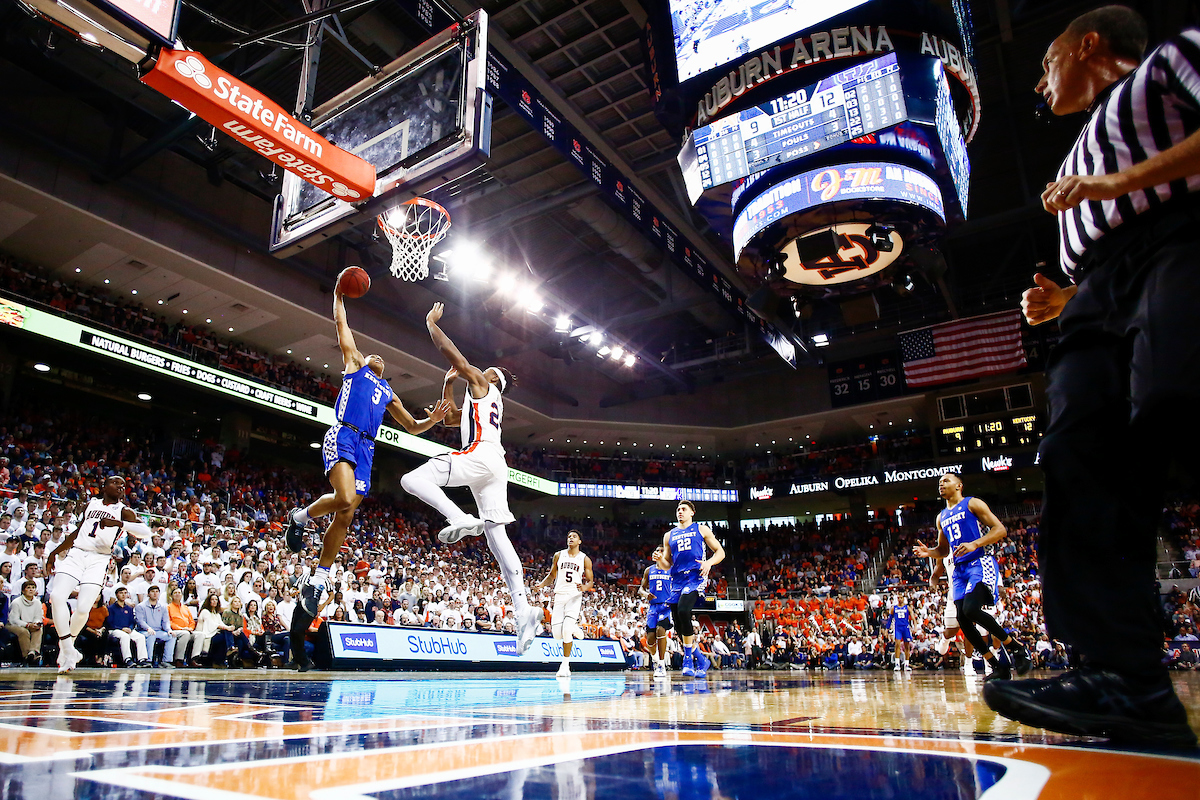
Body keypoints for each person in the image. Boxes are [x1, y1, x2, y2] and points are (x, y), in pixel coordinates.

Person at [991, 5, 1200, 748]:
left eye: (1047, 63)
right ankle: (1123, 677)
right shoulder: (1075, 154)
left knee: (1178, 397)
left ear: (1086, 46)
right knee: (1079, 460)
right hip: (1100, 293)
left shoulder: (1172, 62)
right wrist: (1068, 300)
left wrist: (1125, 182)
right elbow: (1109, 246)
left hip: (1183, 239)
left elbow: (1144, 207)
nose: (1040, 82)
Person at [283, 269, 451, 652]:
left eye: (381, 357)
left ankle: (322, 573)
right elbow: (340, 323)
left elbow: (411, 426)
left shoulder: (389, 390)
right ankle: (300, 517)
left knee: (346, 514)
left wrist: (434, 420)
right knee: (342, 499)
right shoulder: (355, 364)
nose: (377, 355)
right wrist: (340, 294)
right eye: (373, 353)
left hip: (367, 449)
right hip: (343, 434)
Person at [399, 302, 541, 654]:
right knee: (496, 537)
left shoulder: (482, 382)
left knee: (412, 479)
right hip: (494, 463)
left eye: (486, 370)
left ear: (493, 378)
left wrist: (431, 323)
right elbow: (450, 420)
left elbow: (456, 358)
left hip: (480, 455)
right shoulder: (486, 401)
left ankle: (458, 516)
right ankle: (524, 609)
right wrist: (447, 387)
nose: (480, 371)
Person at [914, 473, 1031, 682]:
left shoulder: (972, 503)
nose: (941, 483)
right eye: (939, 482)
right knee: (962, 619)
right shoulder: (941, 516)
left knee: (970, 610)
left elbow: (1000, 530)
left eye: (946, 480)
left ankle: (1016, 647)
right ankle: (997, 666)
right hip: (959, 570)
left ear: (959, 485)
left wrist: (976, 543)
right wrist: (929, 552)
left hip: (979, 562)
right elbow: (943, 549)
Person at [44, 475, 156, 673]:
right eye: (116, 483)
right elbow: (79, 531)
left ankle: (68, 650)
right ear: (104, 486)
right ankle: (68, 648)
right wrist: (55, 552)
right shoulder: (92, 504)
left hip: (99, 559)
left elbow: (145, 532)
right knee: (56, 596)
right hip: (77, 553)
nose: (121, 487)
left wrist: (119, 524)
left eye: (123, 485)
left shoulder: (123, 510)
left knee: (82, 609)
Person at [661, 500, 724, 678]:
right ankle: (701, 660)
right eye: (678, 509)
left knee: (683, 610)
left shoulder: (701, 529)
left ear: (692, 513)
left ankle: (688, 659)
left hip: (695, 577)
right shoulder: (669, 535)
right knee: (679, 626)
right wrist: (659, 560)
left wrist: (709, 563)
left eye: (683, 509)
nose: (680, 512)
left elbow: (720, 551)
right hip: (677, 580)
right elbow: (667, 564)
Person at [534, 530, 593, 678]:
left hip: (574, 595)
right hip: (559, 595)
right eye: (568, 536)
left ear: (580, 541)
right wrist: (541, 585)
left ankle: (565, 665)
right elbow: (552, 575)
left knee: (566, 630)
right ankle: (575, 628)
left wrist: (585, 587)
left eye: (574, 537)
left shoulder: (584, 559)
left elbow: (590, 581)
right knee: (557, 635)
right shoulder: (559, 555)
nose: (570, 538)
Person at [638, 545, 674, 679]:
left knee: (660, 630)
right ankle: (656, 660)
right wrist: (645, 594)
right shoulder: (649, 570)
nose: (659, 553)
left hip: (666, 606)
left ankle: (662, 664)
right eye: (658, 551)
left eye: (662, 551)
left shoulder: (671, 569)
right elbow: (641, 589)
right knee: (650, 639)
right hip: (653, 607)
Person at [106, 586, 149, 667]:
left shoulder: (129, 608)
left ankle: (142, 659)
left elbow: (132, 621)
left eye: (125, 593)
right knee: (125, 637)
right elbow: (109, 623)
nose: (123, 595)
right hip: (115, 630)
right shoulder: (111, 608)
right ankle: (127, 659)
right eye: (121, 593)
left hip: (127, 629)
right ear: (116, 595)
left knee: (140, 637)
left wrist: (130, 628)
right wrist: (121, 628)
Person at [134, 584, 175, 668]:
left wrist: (169, 630)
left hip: (158, 631)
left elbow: (165, 621)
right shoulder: (140, 606)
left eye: (157, 592)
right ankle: (148, 660)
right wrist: (148, 628)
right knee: (151, 635)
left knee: (171, 636)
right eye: (152, 592)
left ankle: (166, 660)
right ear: (148, 594)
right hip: (144, 631)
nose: (155, 593)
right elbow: (140, 621)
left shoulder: (163, 607)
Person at [6, 580, 44, 665]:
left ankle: (33, 652)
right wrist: (27, 625)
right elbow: (14, 620)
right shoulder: (16, 602)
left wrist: (35, 624)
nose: (31, 590)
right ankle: (26, 656)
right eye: (28, 588)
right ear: (23, 591)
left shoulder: (38, 602)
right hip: (13, 625)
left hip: (30, 624)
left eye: (33, 588)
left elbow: (38, 617)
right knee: (24, 632)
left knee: (38, 629)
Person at [167, 587, 195, 668]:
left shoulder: (185, 608)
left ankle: (193, 659)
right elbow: (169, 622)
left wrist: (190, 628)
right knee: (185, 634)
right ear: (171, 596)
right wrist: (182, 628)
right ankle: (179, 659)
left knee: (200, 635)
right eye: (175, 593)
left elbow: (192, 621)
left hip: (188, 630)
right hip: (175, 630)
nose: (177, 594)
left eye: (179, 593)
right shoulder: (168, 607)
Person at [887, 596, 913, 672]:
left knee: (907, 646)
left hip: (906, 628)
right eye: (898, 598)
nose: (900, 599)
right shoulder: (893, 608)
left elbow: (913, 618)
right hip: (898, 628)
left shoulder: (907, 607)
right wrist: (887, 629)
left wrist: (914, 627)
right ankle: (897, 664)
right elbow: (890, 619)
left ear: (903, 599)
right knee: (897, 645)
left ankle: (906, 664)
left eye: (901, 598)